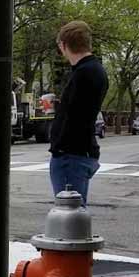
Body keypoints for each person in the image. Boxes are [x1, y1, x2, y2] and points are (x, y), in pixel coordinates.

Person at [49, 21, 109, 204]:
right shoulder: (93, 70)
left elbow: (75, 118)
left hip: (71, 156)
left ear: (64, 45)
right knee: (73, 217)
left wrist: (59, 145)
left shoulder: (84, 73)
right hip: (78, 153)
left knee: (69, 217)